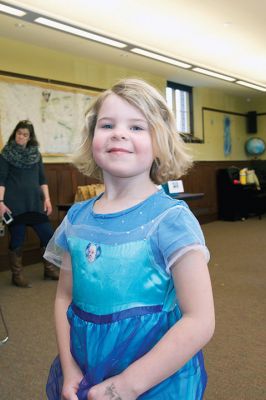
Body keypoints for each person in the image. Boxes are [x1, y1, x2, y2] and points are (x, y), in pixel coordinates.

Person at [45, 78, 215, 399]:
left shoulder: (172, 220)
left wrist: (124, 386)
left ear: (160, 143)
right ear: (92, 138)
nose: (119, 133)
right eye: (107, 124)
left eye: (137, 127)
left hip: (152, 377)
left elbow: (200, 320)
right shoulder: (77, 218)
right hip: (84, 363)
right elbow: (63, 298)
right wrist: (69, 368)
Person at [0, 120, 59, 287]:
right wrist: (0, 202)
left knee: (47, 235)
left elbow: (42, 179)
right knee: (17, 239)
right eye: (19, 133)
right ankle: (17, 276)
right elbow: (1, 179)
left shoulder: (36, 155)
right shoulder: (6, 153)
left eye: (25, 134)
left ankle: (49, 270)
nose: (21, 137)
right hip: (13, 205)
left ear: (30, 137)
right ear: (14, 134)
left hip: (34, 203)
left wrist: (47, 199)